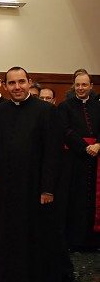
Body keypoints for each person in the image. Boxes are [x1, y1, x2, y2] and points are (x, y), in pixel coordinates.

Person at [0, 67, 63, 282]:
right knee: (8, 239)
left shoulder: (45, 111)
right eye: (12, 83)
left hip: (35, 189)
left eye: (21, 82)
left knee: (34, 239)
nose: (17, 87)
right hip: (6, 188)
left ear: (29, 82)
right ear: (5, 86)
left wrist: (47, 188)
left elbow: (53, 153)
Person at [57, 71, 99, 250]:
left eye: (84, 85)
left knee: (93, 199)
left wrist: (98, 144)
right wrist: (84, 147)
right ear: (73, 86)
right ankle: (74, 239)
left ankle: (93, 239)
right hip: (75, 159)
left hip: (97, 157)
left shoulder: (98, 106)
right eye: (78, 85)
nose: (81, 88)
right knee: (75, 199)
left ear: (91, 86)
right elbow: (65, 130)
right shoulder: (65, 106)